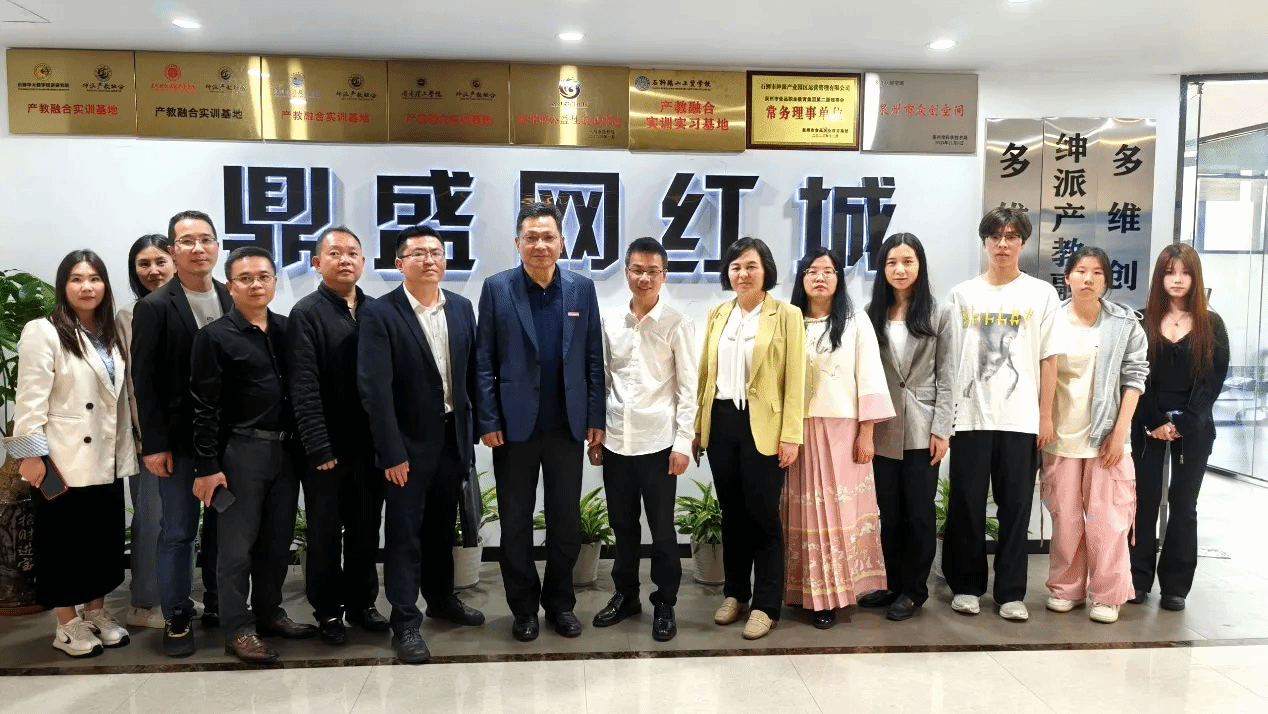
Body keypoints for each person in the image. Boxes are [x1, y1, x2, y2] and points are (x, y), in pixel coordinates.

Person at [475, 202, 604, 642]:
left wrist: (595, 417)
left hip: (567, 426)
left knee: (565, 522)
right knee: (515, 523)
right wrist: (488, 418)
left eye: (548, 237)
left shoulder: (581, 289)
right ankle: (524, 609)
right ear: (518, 243)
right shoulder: (497, 289)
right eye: (531, 237)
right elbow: (483, 360)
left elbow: (592, 358)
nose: (540, 245)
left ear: (562, 243)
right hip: (514, 429)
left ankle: (560, 604)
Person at [358, 225, 486, 664]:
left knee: (441, 529)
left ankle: (442, 600)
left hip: (453, 439)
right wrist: (391, 451)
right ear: (399, 264)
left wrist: (472, 434)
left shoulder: (461, 308)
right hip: (406, 447)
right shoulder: (380, 313)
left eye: (436, 252)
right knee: (404, 535)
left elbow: (470, 376)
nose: (429, 259)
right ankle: (405, 622)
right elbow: (374, 388)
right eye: (418, 253)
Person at [189, 247, 316, 664]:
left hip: (287, 451)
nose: (256, 284)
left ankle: (269, 613)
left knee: (276, 541)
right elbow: (203, 408)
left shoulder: (287, 330)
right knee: (236, 548)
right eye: (245, 278)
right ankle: (237, 629)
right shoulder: (214, 337)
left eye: (263, 277)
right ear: (230, 286)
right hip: (241, 452)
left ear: (274, 282)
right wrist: (208, 466)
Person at [6, 250, 136, 657]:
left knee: (101, 540)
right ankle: (66, 623)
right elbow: (29, 399)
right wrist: (31, 456)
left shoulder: (110, 333)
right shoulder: (43, 330)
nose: (87, 287)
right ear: (63, 285)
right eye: (77, 279)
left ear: (105, 285)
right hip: (62, 458)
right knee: (62, 543)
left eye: (94, 278)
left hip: (106, 455)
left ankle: (95, 612)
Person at [943, 207, 1061, 621]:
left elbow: (1049, 359)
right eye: (995, 236)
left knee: (1016, 507)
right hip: (970, 417)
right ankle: (967, 586)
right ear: (985, 242)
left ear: (1023, 243)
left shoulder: (1041, 295)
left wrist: (1045, 416)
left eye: (1011, 236)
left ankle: (1011, 592)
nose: (1003, 244)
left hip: (1020, 418)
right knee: (967, 505)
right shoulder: (962, 295)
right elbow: (949, 359)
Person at [692, 237, 805, 641]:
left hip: (765, 428)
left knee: (763, 516)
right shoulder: (718, 313)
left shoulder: (786, 314)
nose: (743, 273)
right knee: (732, 515)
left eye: (751, 266)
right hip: (722, 422)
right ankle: (735, 593)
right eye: (736, 266)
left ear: (765, 270)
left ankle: (766, 605)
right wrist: (699, 428)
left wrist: (791, 435)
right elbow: (705, 374)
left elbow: (796, 379)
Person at [130, 210, 230, 655]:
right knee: (178, 531)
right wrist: (154, 445)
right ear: (174, 250)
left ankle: (221, 606)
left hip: (230, 440)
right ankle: (176, 617)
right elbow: (145, 382)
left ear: (217, 246)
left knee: (225, 529)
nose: (197, 248)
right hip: (178, 442)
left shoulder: (231, 295)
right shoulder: (154, 307)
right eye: (187, 241)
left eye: (205, 239)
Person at [589, 237, 698, 642]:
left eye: (653, 271)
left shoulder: (677, 324)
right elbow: (601, 381)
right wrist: (596, 435)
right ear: (626, 272)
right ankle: (626, 595)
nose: (644, 277)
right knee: (622, 525)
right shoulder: (610, 321)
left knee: (662, 529)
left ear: (664, 275)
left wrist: (683, 443)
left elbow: (688, 388)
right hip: (616, 441)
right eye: (637, 269)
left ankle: (665, 602)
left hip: (659, 444)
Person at [784, 247, 895, 629]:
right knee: (802, 512)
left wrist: (867, 432)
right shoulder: (789, 320)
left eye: (828, 271)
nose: (820, 277)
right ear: (801, 278)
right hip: (796, 431)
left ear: (838, 278)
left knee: (839, 513)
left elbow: (870, 375)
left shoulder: (855, 320)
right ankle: (802, 592)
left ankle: (834, 597)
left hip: (844, 432)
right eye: (812, 271)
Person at [287, 226, 388, 645]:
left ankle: (363, 603)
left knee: (366, 528)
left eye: (352, 253)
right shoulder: (306, 313)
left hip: (370, 447)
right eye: (334, 253)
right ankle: (327, 610)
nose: (344, 260)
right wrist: (318, 446)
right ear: (317, 263)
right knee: (325, 533)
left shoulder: (378, 310)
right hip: (325, 449)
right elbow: (303, 387)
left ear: (362, 262)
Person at [1040, 246, 1148, 625]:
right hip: (1060, 437)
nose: (1088, 279)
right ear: (1067, 277)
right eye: (1081, 270)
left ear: (1106, 281)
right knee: (1066, 519)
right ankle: (1066, 588)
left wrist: (1120, 433)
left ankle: (1107, 594)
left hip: (1107, 439)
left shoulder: (1124, 323)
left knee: (1108, 519)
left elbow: (1135, 378)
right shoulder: (1050, 319)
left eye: (1098, 272)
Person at [1129, 243, 1229, 612]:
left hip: (1194, 426)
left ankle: (1175, 586)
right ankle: (1136, 579)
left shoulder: (1211, 324)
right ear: (1160, 277)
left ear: (1195, 277)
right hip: (1147, 424)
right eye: (1170, 272)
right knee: (1143, 502)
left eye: (1185, 272)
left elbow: (1213, 379)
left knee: (1184, 505)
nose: (1177, 279)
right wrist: (1154, 419)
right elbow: (1134, 376)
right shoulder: (1141, 321)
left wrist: (1185, 421)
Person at [865, 234, 954, 622]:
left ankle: (914, 591)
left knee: (919, 513)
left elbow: (949, 375)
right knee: (889, 512)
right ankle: (892, 584)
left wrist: (942, 429)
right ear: (882, 269)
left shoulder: (940, 313)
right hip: (883, 427)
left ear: (920, 266)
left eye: (908, 261)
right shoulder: (871, 313)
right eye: (891, 263)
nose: (899, 269)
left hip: (923, 426)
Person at [115, 234, 176, 630]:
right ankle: (144, 602)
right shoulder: (129, 315)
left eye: (159, 261)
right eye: (143, 263)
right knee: (151, 520)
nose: (153, 270)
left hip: (189, 439)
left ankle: (173, 596)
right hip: (150, 439)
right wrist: (145, 438)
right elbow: (133, 383)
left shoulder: (193, 305)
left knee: (178, 523)